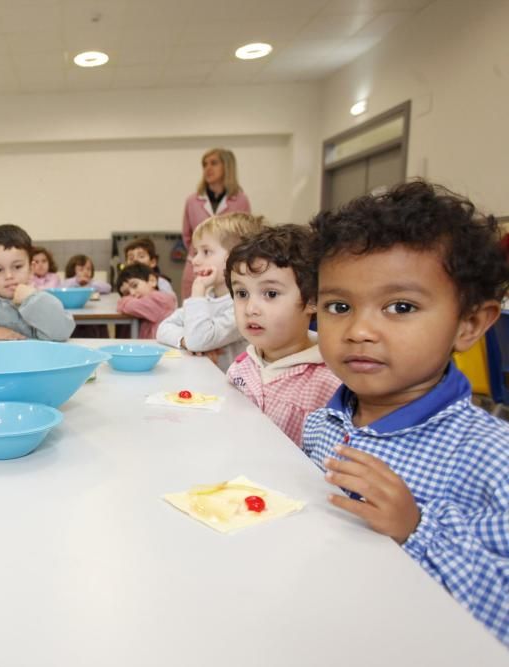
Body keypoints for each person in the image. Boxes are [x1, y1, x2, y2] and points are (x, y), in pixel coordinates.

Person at [303, 181, 509, 645]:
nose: (358, 330)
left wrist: (417, 529)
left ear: (470, 324)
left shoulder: (492, 460)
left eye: (400, 306)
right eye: (339, 306)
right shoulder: (322, 424)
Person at [225, 225, 340, 446]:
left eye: (270, 294)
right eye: (241, 293)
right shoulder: (241, 366)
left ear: (312, 301)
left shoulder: (328, 384)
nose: (250, 309)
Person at [156, 212, 265, 371]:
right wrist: (187, 340)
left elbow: (199, 340)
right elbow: (164, 328)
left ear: (235, 257)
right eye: (196, 252)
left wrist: (198, 290)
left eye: (206, 252)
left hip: (234, 391)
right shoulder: (208, 297)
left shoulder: (242, 305)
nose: (195, 260)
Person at [181, 148, 252, 299]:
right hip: (195, 268)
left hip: (228, 269)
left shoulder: (240, 200)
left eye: (214, 163)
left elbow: (246, 235)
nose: (208, 168)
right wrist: (203, 253)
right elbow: (187, 236)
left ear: (227, 166)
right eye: (205, 164)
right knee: (193, 310)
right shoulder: (192, 200)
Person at [115, 264, 177, 340]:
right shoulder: (146, 301)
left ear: (152, 281)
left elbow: (130, 306)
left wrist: (122, 301)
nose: (132, 293)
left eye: (134, 285)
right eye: (127, 293)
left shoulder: (160, 300)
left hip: (162, 349)